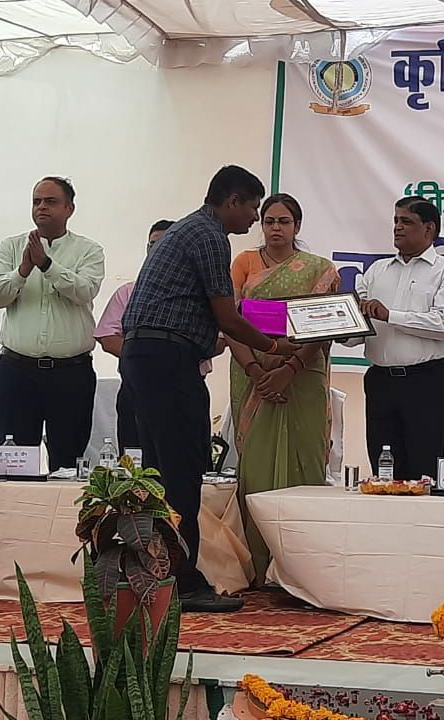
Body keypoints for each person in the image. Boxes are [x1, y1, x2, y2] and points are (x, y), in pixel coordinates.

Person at [120, 165, 300, 612]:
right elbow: (227, 316)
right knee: (181, 471)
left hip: (147, 356)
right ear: (232, 201)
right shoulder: (208, 236)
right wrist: (273, 345)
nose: (255, 219)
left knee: (160, 472)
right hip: (168, 360)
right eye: (253, 208)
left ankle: (156, 573)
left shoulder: (188, 230)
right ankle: (183, 582)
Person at [227, 193, 340, 582]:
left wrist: (289, 369)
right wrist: (257, 371)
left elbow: (324, 328)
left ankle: (302, 571)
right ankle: (260, 569)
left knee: (305, 462)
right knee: (256, 469)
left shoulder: (320, 269)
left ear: (297, 226)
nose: (276, 228)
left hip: (302, 377)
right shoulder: (243, 263)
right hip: (252, 376)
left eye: (284, 221)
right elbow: (230, 322)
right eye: (269, 221)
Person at [343, 196, 444, 479]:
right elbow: (359, 331)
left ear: (429, 229)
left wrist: (390, 315)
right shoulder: (377, 270)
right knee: (383, 468)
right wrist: (339, 328)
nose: (397, 227)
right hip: (380, 382)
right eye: (396, 221)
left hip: (425, 382)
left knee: (424, 469)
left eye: (406, 221)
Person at [0, 177, 105, 472]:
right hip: (17, 371)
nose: (41, 207)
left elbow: (85, 291)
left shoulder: (88, 250)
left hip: (70, 374)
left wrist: (47, 265)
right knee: (13, 464)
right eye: (36, 201)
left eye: (50, 201)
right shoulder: (11, 247)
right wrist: (23, 270)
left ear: (69, 208)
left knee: (67, 464)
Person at [94, 219, 172, 456]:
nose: (157, 251)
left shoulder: (200, 292)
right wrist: (146, 357)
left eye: (165, 244)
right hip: (137, 386)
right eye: (152, 245)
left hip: (182, 388)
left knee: (182, 461)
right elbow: (108, 337)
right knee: (134, 461)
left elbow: (219, 339)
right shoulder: (128, 292)